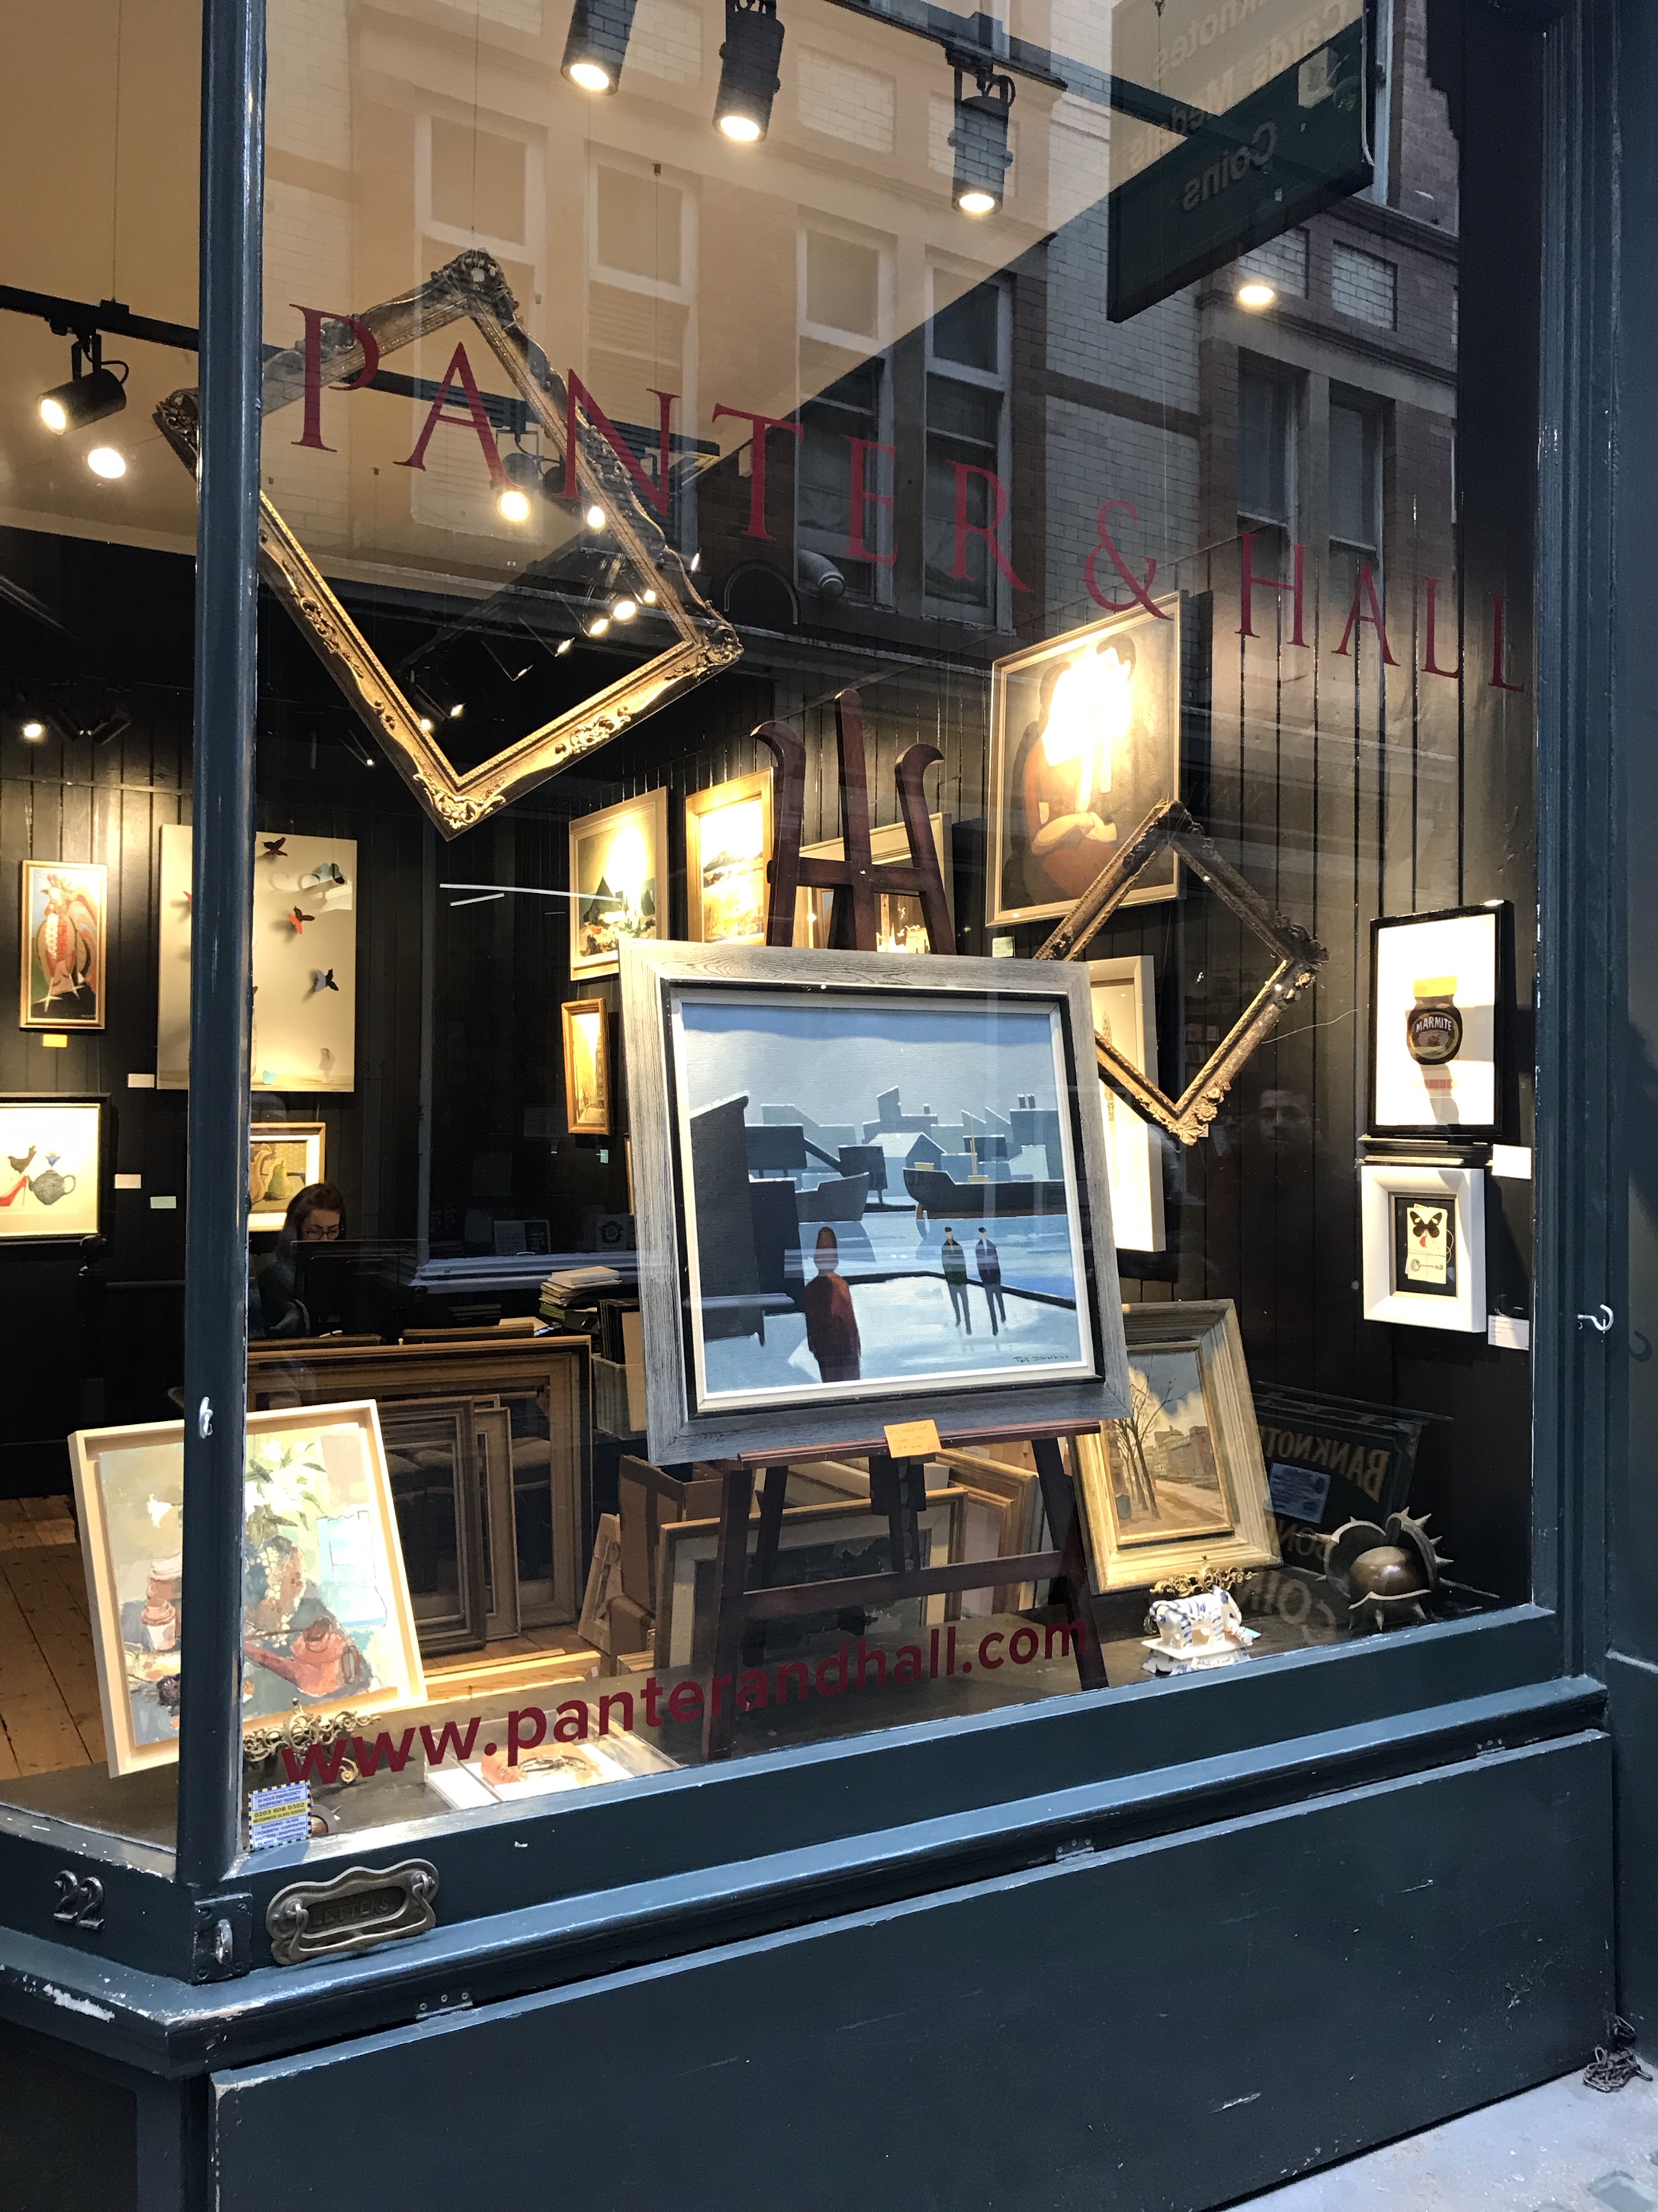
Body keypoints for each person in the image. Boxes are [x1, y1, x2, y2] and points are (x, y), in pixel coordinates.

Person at [251, 1181, 347, 1339]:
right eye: (314, 1232)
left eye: (332, 1232)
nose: (325, 1241)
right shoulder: (275, 1276)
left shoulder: (346, 1271)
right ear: (296, 1230)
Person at [801, 1224, 861, 1381]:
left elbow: (849, 1323)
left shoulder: (838, 1285)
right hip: (831, 1349)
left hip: (840, 1350)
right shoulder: (824, 1287)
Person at [975, 1227, 1006, 1333]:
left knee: (999, 1300)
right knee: (991, 1304)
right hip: (987, 1281)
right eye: (981, 1233)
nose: (982, 1235)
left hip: (995, 1279)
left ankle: (1003, 1318)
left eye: (983, 1233)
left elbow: (997, 1263)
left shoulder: (991, 1246)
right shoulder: (978, 1247)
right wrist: (983, 1279)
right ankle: (995, 1326)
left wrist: (998, 1278)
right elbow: (979, 1264)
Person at [940, 1227, 972, 1331]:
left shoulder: (958, 1247)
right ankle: (958, 1318)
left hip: (961, 1280)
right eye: (947, 1234)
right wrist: (949, 1276)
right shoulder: (944, 1248)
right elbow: (945, 1264)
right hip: (952, 1281)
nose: (949, 1236)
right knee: (955, 1303)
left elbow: (963, 1263)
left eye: (950, 1234)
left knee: (965, 1303)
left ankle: (968, 1323)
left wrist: (964, 1277)